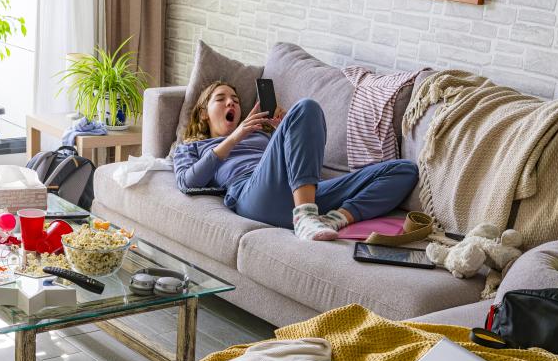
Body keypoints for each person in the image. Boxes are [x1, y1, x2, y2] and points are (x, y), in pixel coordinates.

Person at [174, 81, 418, 241]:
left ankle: (331, 220)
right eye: (221, 99)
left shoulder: (260, 134)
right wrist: (236, 137)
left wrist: (287, 132)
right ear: (204, 113)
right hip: (254, 196)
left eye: (236, 100)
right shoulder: (194, 147)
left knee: (404, 170)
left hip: (304, 193)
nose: (231, 103)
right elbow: (188, 182)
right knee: (306, 107)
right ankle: (305, 217)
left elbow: (295, 164)